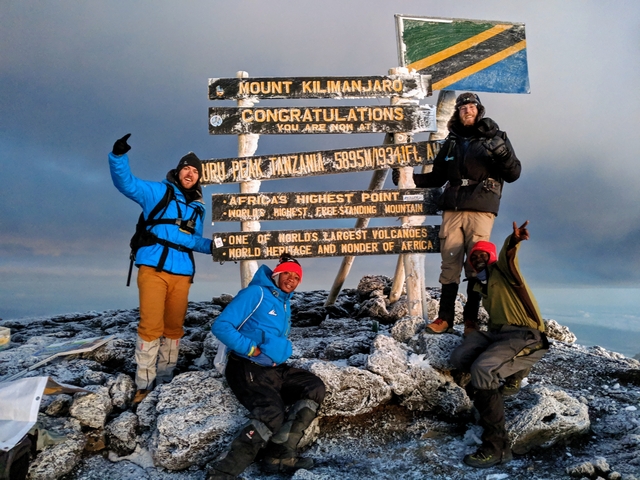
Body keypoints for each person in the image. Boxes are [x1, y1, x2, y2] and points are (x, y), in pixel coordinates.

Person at [393, 92, 521, 335]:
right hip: (452, 209)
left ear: (479, 110)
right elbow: (438, 177)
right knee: (449, 264)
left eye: (472, 106)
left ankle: (471, 321)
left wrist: (501, 151)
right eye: (462, 107)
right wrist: (408, 178)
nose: (467, 110)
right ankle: (445, 318)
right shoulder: (451, 142)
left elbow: (513, 173)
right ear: (458, 112)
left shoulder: (496, 138)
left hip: (481, 209)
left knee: (477, 263)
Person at [108, 133, 213, 404]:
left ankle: (166, 379)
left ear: (199, 177)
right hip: (154, 268)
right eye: (187, 168)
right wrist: (118, 157)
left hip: (182, 273)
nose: (190, 173)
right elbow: (127, 184)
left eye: (195, 171)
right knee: (150, 326)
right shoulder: (158, 192)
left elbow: (193, 241)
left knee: (174, 328)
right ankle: (144, 383)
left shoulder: (198, 208)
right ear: (178, 171)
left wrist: (218, 247)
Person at [208, 254, 326, 479]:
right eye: (287, 274)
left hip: (272, 368)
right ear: (277, 274)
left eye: (296, 277)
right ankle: (223, 472)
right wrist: (252, 349)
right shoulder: (256, 293)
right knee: (272, 412)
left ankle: (278, 456)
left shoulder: (283, 300)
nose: (291, 279)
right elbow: (221, 326)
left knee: (313, 386)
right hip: (245, 365)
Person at [450, 220, 548, 468]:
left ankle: (497, 447)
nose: (479, 259)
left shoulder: (504, 272)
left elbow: (508, 256)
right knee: (459, 358)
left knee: (483, 370)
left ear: (492, 257)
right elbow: (471, 311)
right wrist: (470, 329)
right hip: (498, 335)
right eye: (474, 257)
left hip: (525, 335)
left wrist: (513, 240)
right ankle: (490, 396)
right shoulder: (479, 284)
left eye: (484, 255)